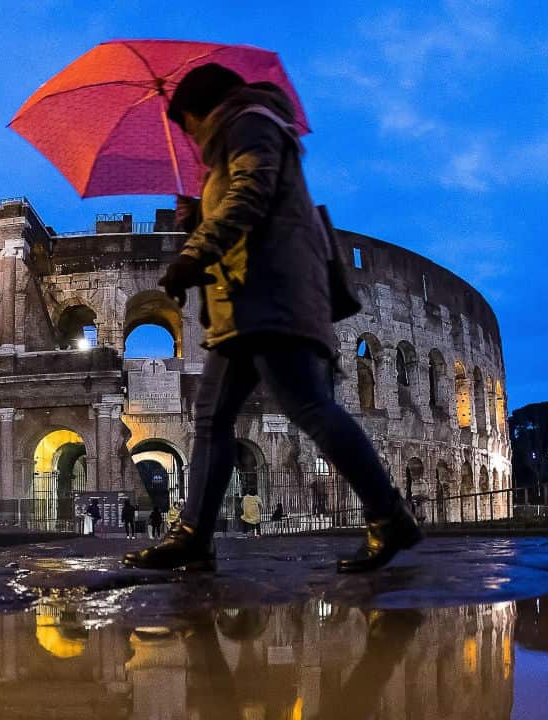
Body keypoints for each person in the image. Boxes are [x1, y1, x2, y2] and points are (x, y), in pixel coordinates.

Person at [124, 63, 421, 574]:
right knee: (212, 419)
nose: (188, 141)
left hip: (272, 297)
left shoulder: (251, 123)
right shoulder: (233, 145)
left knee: (308, 406)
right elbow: (242, 206)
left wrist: (196, 250)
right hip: (242, 308)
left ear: (201, 112)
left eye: (186, 128)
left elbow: (251, 198)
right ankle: (195, 536)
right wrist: (197, 216)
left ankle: (389, 515)